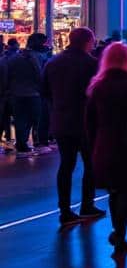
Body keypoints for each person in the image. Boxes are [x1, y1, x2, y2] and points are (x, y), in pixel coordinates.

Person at [41, 26, 103, 224]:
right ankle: (87, 204)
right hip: (86, 122)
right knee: (90, 164)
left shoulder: (53, 62)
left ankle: (65, 210)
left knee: (66, 165)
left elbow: (44, 90)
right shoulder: (92, 64)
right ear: (87, 41)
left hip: (62, 120)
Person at [85, 42, 127, 254]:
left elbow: (89, 121)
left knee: (113, 190)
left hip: (105, 142)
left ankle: (116, 230)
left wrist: (93, 144)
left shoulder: (97, 87)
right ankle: (121, 233)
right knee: (126, 190)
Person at [6, 33, 46, 158]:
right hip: (33, 94)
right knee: (34, 120)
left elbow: (8, 74)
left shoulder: (15, 58)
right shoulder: (39, 57)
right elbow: (41, 76)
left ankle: (21, 144)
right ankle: (35, 143)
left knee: (20, 119)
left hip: (16, 93)